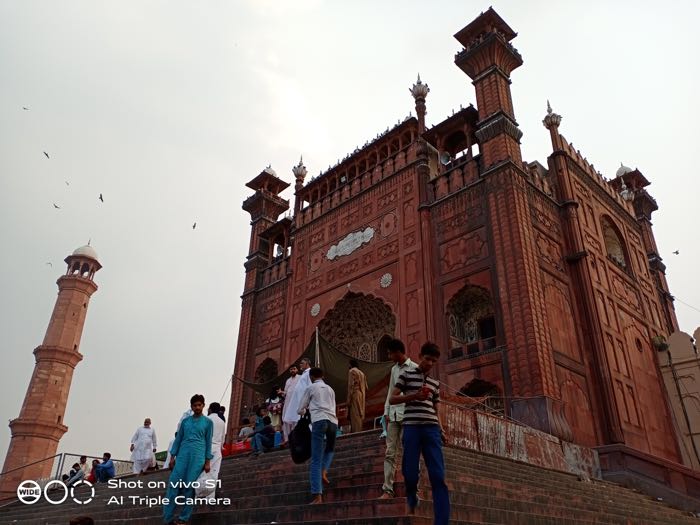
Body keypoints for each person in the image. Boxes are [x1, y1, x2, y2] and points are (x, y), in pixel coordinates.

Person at [389, 342, 449, 525]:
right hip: (412, 427)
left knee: (438, 476)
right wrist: (414, 396)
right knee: (410, 471)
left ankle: (442, 521)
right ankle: (411, 495)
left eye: (434, 361)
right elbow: (392, 398)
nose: (430, 363)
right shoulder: (406, 375)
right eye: (427, 359)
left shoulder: (434, 383)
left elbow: (436, 408)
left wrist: (441, 429)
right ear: (420, 356)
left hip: (431, 429)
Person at [163, 394, 213, 525]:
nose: (197, 407)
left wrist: (208, 461)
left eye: (199, 405)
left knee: (190, 487)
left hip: (198, 457)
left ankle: (183, 518)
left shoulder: (208, 423)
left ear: (203, 405)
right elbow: (178, 439)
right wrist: (172, 457)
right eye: (194, 405)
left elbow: (208, 442)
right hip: (182, 456)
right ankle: (168, 518)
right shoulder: (185, 422)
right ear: (191, 406)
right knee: (173, 484)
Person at [379, 338, 417, 499]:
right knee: (390, 453)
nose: (388, 356)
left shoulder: (415, 368)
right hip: (394, 415)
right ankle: (387, 489)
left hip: (409, 415)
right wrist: (386, 410)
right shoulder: (394, 369)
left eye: (390, 353)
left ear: (397, 352)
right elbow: (391, 392)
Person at [298, 367, 337, 505]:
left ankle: (317, 496)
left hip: (319, 421)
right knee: (330, 449)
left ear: (311, 377)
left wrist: (305, 410)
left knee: (315, 459)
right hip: (333, 422)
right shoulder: (330, 389)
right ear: (323, 376)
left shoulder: (310, 388)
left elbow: (299, 409)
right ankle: (324, 470)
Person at [283, 359, 312, 433]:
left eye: (302, 363)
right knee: (296, 421)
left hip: (304, 402)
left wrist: (308, 402)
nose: (300, 365)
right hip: (297, 402)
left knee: (305, 421)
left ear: (307, 363)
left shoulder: (309, 372)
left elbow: (310, 386)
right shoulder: (304, 374)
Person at [347, 359, 368, 433]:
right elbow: (366, 387)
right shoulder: (362, 373)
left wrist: (349, 400)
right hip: (361, 395)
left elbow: (351, 386)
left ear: (351, 364)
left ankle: (356, 433)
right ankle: (358, 431)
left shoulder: (352, 371)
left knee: (355, 415)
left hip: (355, 394)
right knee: (359, 414)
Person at [207, 402, 226, 480]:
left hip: (206, 449)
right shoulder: (222, 422)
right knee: (213, 475)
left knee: (202, 474)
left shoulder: (206, 419)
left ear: (210, 410)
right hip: (217, 451)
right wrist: (221, 447)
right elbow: (223, 438)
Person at [281, 365, 300, 443]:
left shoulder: (301, 378)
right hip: (288, 403)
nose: (292, 370)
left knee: (296, 419)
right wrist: (281, 392)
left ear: (297, 370)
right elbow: (285, 392)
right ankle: (287, 439)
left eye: (294, 369)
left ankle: (296, 437)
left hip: (297, 402)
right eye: (291, 369)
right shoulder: (288, 380)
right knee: (286, 420)